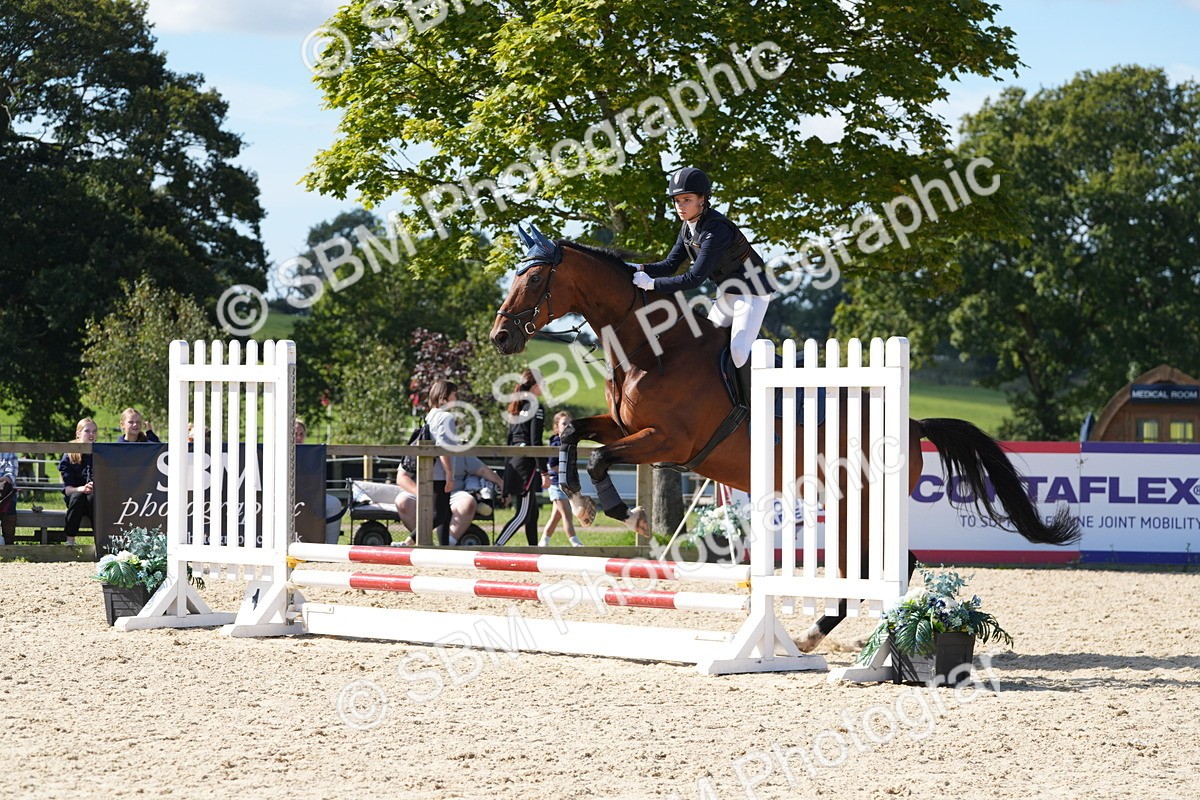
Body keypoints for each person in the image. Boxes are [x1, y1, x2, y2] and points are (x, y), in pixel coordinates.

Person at [632, 167, 770, 369]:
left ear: (702, 199)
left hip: (752, 293)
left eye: (686, 200)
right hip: (729, 293)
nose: (680, 206)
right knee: (705, 345)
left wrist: (652, 284)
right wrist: (637, 268)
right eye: (677, 201)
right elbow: (670, 265)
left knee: (739, 353)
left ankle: (763, 393)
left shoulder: (716, 230)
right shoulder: (687, 228)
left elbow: (694, 279)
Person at [394, 455, 502, 546]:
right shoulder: (420, 445)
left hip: (453, 492)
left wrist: (503, 486)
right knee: (404, 502)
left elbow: (483, 469)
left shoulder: (458, 449)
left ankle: (448, 545)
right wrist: (424, 495)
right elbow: (402, 477)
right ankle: (423, 542)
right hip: (422, 491)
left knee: (466, 503)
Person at [498, 368, 550, 546]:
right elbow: (535, 442)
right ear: (535, 386)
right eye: (543, 383)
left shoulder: (515, 408)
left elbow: (508, 442)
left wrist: (505, 483)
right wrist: (544, 472)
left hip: (513, 462)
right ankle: (496, 547)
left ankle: (534, 551)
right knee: (522, 515)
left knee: (532, 514)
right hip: (525, 465)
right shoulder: (536, 406)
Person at [294, 420, 343, 545]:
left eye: (301, 434)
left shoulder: (311, 455)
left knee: (334, 504)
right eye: (295, 434)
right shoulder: (275, 453)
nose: (298, 438)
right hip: (281, 500)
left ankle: (331, 548)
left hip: (308, 499)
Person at [425, 380, 460, 546]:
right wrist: (449, 473)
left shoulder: (431, 414)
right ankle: (410, 540)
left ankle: (444, 547)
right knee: (440, 514)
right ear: (444, 396)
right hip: (440, 472)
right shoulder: (446, 417)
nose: (456, 397)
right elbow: (443, 447)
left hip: (429, 469)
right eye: (454, 394)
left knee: (445, 515)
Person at [539, 410, 582, 547]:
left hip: (565, 484)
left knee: (556, 516)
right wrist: (568, 473)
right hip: (557, 484)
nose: (567, 426)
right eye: (564, 423)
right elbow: (553, 465)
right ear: (556, 426)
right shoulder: (556, 443)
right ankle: (575, 542)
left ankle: (543, 542)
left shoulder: (569, 443)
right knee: (567, 514)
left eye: (570, 423)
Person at [59, 417, 98, 548]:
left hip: (95, 497)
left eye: (94, 431)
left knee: (92, 499)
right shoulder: (69, 454)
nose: (91, 434)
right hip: (75, 496)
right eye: (87, 431)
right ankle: (70, 541)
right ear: (78, 433)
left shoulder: (100, 453)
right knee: (78, 497)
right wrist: (81, 489)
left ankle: (100, 543)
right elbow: (68, 489)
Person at [0, 450, 17, 545]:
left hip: (5, 491)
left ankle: (8, 543)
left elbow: (10, 476)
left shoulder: (10, 451)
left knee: (9, 500)